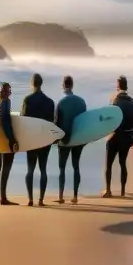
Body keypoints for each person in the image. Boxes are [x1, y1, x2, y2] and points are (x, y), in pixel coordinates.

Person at [21, 73, 56, 207]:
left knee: (30, 170)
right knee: (43, 170)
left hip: (32, 139)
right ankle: (41, 200)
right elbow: (52, 122)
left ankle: (30, 199)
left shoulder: (27, 100)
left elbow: (23, 121)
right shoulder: (49, 102)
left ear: (32, 84)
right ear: (41, 83)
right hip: (44, 139)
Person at [105, 76, 133, 198]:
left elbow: (110, 119)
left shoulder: (115, 100)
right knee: (122, 163)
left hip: (115, 137)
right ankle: (122, 191)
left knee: (109, 164)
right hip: (127, 137)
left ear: (118, 85)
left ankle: (108, 191)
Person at [55, 75, 87, 204]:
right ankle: (75, 196)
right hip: (78, 139)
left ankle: (61, 196)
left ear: (63, 85)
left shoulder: (61, 102)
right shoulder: (81, 101)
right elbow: (85, 121)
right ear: (72, 85)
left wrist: (54, 138)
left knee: (62, 168)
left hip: (64, 139)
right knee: (76, 166)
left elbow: (57, 122)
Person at [0, 82, 18, 205]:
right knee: (6, 168)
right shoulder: (6, 101)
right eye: (9, 90)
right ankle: (3, 198)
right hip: (5, 139)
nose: (10, 92)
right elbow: (5, 122)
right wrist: (12, 139)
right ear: (7, 92)